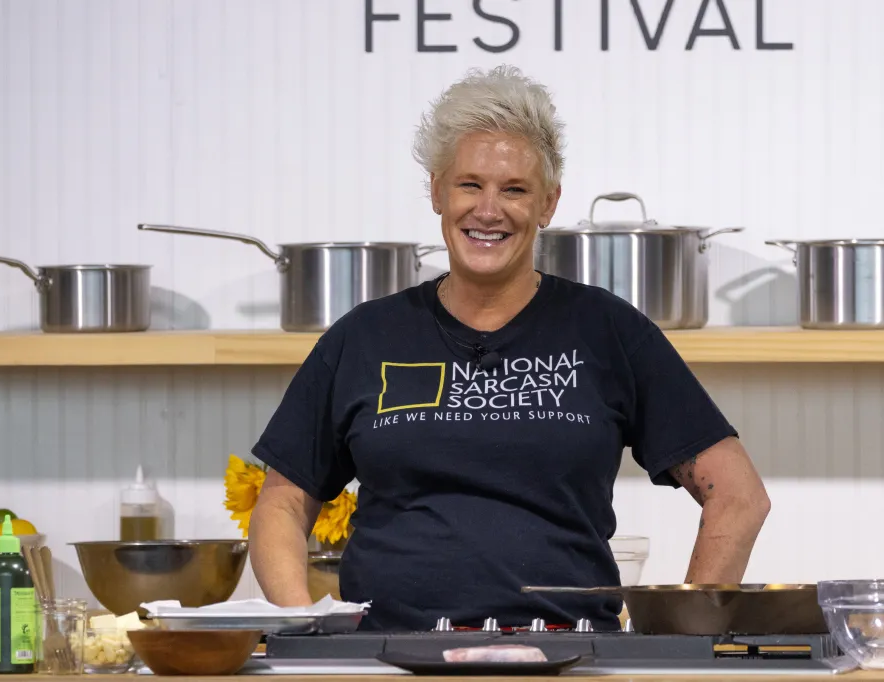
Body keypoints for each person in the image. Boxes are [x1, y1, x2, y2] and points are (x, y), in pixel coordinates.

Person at [248, 65, 771, 633]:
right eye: (470, 185)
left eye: (514, 189)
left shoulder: (608, 330)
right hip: (390, 656)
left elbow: (738, 495)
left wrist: (683, 639)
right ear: (437, 191)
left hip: (567, 657)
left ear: (548, 203)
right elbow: (281, 503)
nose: (489, 210)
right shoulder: (365, 336)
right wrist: (304, 632)